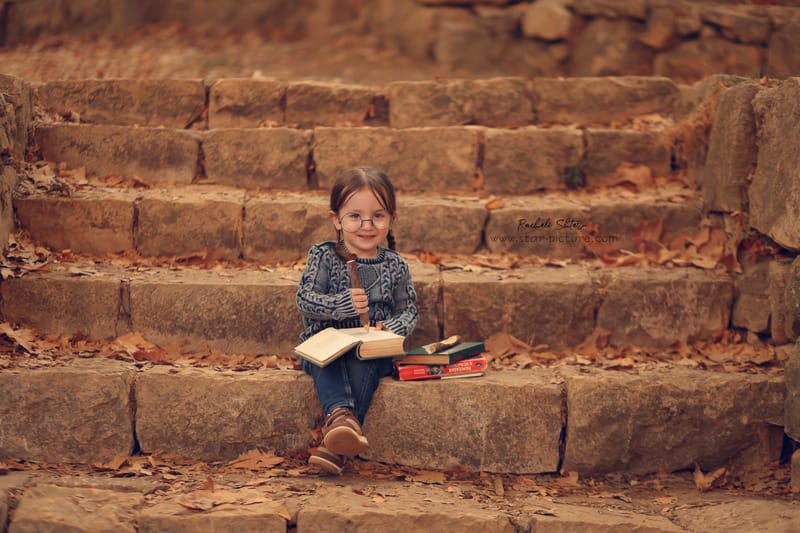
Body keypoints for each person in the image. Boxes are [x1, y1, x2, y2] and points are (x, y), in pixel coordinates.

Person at [296, 166, 418, 474]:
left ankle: (336, 439)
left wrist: (393, 328)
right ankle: (342, 419)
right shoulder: (324, 256)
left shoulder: (395, 265)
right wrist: (342, 304)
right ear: (336, 219)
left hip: (371, 350)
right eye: (355, 217)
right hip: (324, 345)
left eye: (378, 216)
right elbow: (305, 301)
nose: (367, 226)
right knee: (331, 360)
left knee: (362, 361)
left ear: (391, 218)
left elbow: (409, 309)